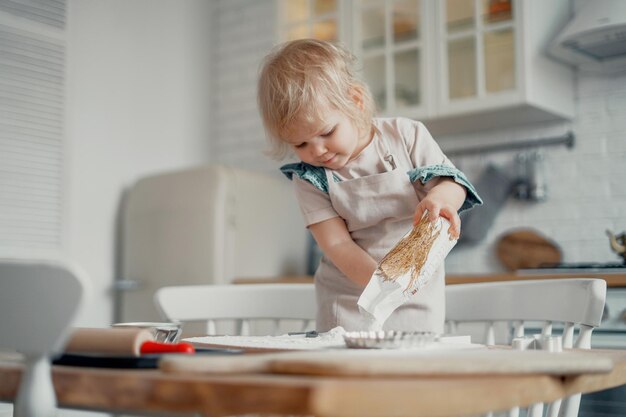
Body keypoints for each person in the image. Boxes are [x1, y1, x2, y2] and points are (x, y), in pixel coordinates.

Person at [257, 39, 482, 333]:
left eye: (326, 132)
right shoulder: (308, 177)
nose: (317, 150)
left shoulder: (406, 136)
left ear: (355, 101)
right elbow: (337, 243)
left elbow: (452, 183)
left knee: (412, 369)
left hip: (416, 291)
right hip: (349, 296)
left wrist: (440, 199)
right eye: (300, 143)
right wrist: (382, 285)